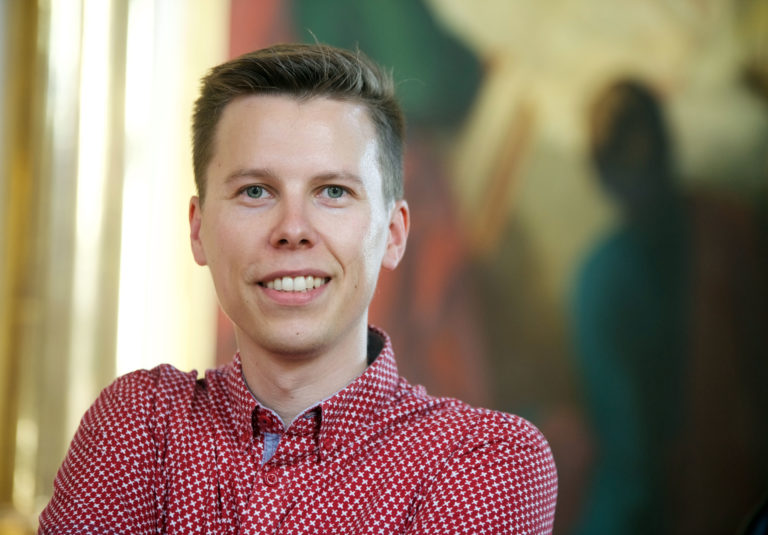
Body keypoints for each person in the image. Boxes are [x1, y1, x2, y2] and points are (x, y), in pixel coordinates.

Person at [39, 43, 557, 534]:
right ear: (198, 230)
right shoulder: (139, 423)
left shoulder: (486, 456)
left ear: (394, 234)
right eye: (255, 191)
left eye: (333, 191)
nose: (292, 228)